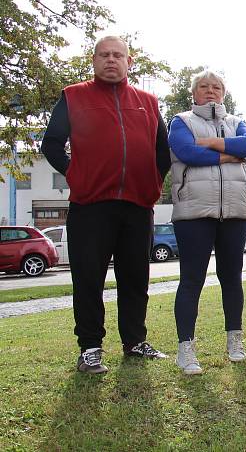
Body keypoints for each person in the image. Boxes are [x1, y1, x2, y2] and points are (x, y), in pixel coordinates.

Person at [41, 35, 171, 374]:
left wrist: (152, 184)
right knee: (88, 279)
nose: (111, 60)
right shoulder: (73, 97)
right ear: (94, 60)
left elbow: (163, 152)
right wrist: (77, 174)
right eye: (104, 55)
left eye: (118, 55)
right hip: (90, 205)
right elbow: (51, 144)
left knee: (135, 278)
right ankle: (90, 348)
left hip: (137, 206)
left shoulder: (149, 102)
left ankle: (134, 341)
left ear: (130, 62)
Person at [167, 69, 246, 375]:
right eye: (203, 87)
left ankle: (235, 340)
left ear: (224, 92)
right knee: (192, 280)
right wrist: (227, 154)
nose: (210, 91)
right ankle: (186, 349)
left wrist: (210, 144)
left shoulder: (235, 122)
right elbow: (186, 152)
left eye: (216, 87)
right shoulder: (181, 121)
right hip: (193, 212)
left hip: (234, 210)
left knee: (232, 278)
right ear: (194, 93)